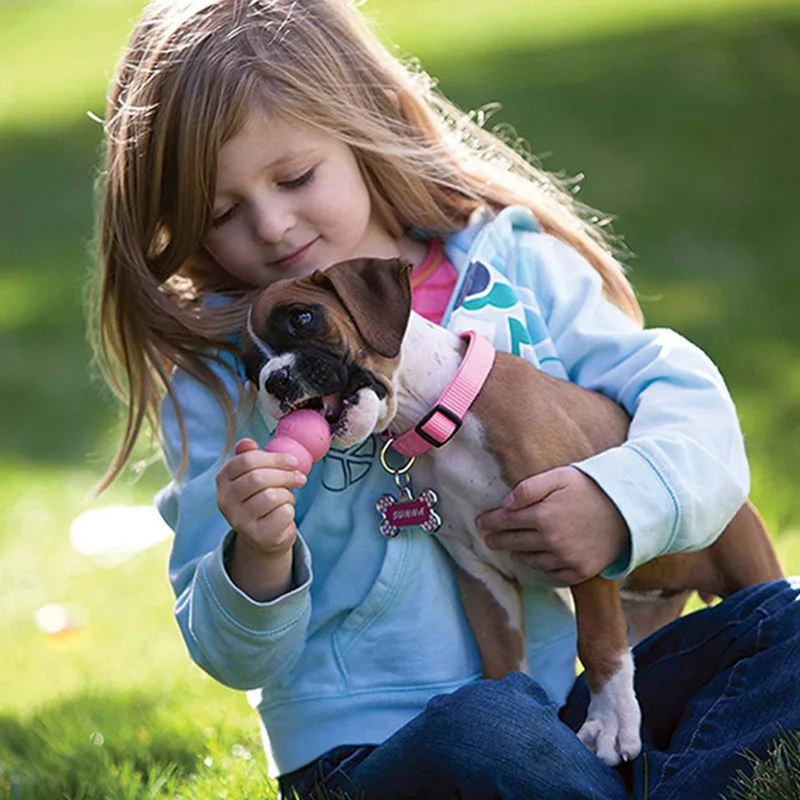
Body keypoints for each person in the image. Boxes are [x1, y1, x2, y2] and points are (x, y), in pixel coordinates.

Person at [89, 1, 800, 798]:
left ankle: (624, 779)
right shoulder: (221, 380)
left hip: (580, 699)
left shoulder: (513, 266)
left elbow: (689, 408)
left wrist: (617, 503)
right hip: (377, 743)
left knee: (789, 627)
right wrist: (256, 553)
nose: (273, 224)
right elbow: (229, 654)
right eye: (222, 214)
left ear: (365, 128)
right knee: (482, 733)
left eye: (294, 177)